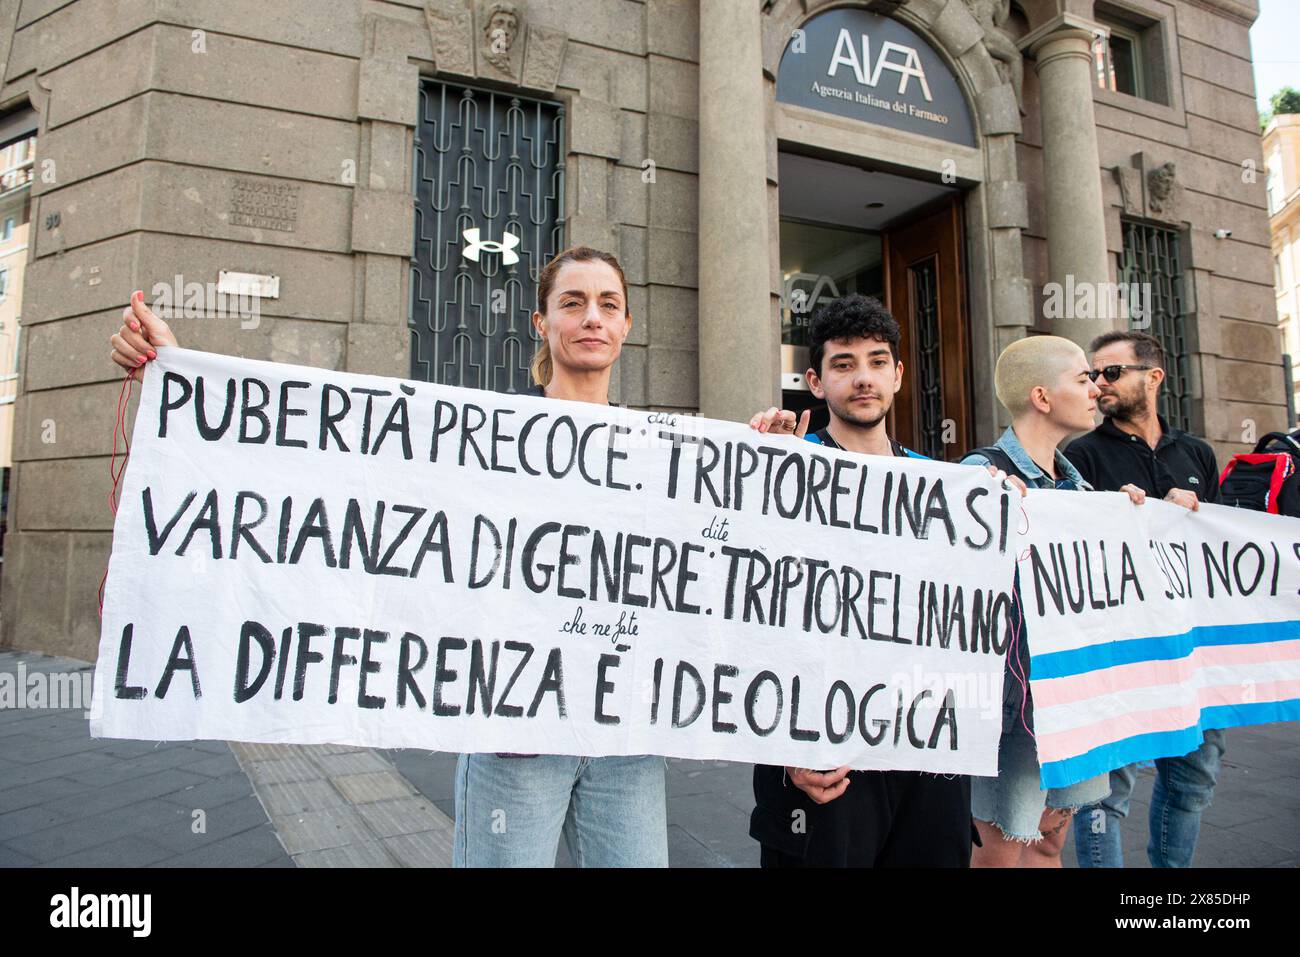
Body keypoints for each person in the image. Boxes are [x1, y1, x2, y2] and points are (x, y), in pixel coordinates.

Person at [109, 245, 671, 868]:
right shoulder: (484, 435)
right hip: (516, 735)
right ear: (541, 323)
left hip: (626, 742)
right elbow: (322, 471)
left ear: (626, 325)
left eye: (608, 304)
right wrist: (182, 375)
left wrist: (773, 460)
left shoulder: (662, 453)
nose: (592, 317)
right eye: (573, 302)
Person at [746, 294, 996, 867]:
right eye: (843, 364)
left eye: (878, 361)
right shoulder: (780, 470)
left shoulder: (947, 490)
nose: (864, 378)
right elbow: (749, 618)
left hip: (930, 748)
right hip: (824, 749)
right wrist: (782, 745)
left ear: (899, 374)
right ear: (814, 381)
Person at [958, 335, 1157, 867]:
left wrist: (1131, 518)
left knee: (1049, 842)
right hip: (1013, 710)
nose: (1096, 389)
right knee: (1001, 851)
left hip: (1069, 704)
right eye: (1082, 379)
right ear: (1042, 397)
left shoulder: (1079, 491)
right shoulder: (981, 475)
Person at [1065, 330, 1225, 868]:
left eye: (1111, 372)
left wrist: (1194, 508)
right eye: (1092, 374)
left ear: (1152, 377)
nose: (1099, 384)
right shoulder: (1081, 455)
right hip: (1122, 651)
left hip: (1190, 649)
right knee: (1109, 792)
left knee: (1194, 776)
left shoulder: (1197, 452)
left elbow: (1220, 553)